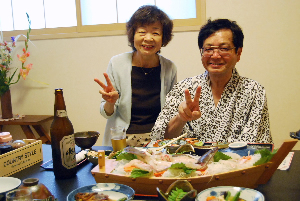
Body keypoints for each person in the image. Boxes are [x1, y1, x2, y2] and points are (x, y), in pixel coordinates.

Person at [151, 19, 273, 143]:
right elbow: (159, 140)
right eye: (208, 49)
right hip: (190, 162)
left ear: (238, 53)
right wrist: (181, 118)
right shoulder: (183, 88)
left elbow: (257, 146)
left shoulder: (253, 91)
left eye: (224, 48)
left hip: (236, 161)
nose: (215, 55)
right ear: (201, 52)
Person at [94, 5, 177, 146]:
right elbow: (106, 113)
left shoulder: (169, 68)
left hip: (157, 142)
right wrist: (110, 102)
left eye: (156, 33)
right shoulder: (117, 63)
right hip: (122, 140)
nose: (148, 38)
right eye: (142, 32)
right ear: (133, 35)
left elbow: (172, 110)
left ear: (164, 38)